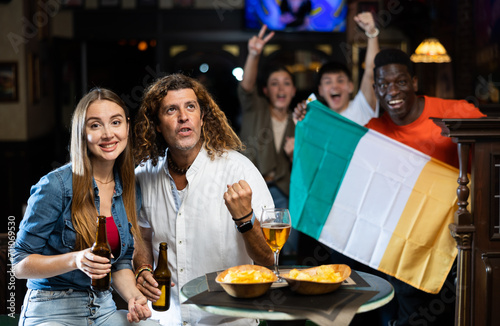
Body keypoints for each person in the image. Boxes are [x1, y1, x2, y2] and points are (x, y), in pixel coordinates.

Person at [132, 73, 274, 326]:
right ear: (156, 123)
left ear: (202, 116)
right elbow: (141, 235)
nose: (183, 116)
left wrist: (245, 220)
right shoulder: (144, 176)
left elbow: (269, 259)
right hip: (167, 319)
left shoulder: (239, 171)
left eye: (190, 107)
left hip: (229, 320)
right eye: (171, 110)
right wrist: (142, 268)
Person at [11, 88, 157, 325]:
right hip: (51, 309)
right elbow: (19, 264)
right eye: (95, 125)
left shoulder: (129, 187)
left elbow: (119, 263)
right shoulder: (55, 185)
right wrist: (76, 260)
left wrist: (134, 298)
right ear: (82, 132)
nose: (108, 133)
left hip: (103, 308)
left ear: (127, 127)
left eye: (116, 122)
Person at [366, 48, 485, 326]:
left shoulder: (456, 113)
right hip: (402, 252)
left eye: (400, 82)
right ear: (375, 89)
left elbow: (492, 149)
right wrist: (306, 120)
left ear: (415, 83)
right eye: (384, 84)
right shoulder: (373, 131)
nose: (392, 90)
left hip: (456, 247)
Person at [293, 11, 380, 126]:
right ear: (320, 90)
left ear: (350, 86)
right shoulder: (318, 121)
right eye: (328, 82)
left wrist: (371, 32)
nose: (335, 86)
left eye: (340, 80)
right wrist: (299, 122)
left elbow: (371, 72)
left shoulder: (362, 107)